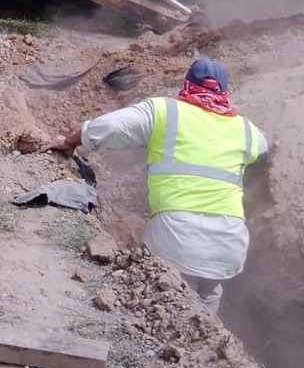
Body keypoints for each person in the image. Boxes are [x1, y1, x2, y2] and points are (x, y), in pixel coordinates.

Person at [47, 59, 267, 315]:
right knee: (209, 295)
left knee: (173, 300)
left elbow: (109, 127)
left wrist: (69, 141)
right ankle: (202, 341)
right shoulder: (245, 129)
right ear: (224, 93)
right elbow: (263, 144)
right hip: (229, 245)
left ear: (188, 85)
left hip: (177, 238)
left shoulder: (165, 111)